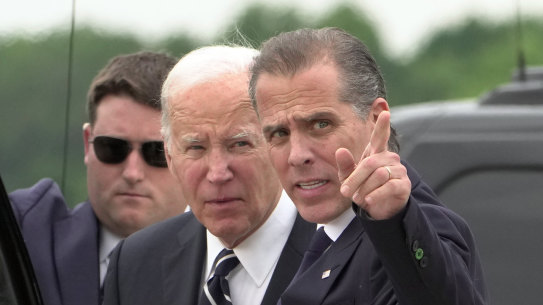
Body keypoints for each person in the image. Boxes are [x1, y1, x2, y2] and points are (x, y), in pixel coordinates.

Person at [249, 27, 489, 305]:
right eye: (279, 133)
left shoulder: (414, 231)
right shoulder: (315, 233)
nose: (297, 155)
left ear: (376, 119)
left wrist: (394, 220)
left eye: (320, 124)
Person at [103, 45, 315, 305]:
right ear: (170, 157)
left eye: (239, 144)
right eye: (196, 148)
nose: (218, 173)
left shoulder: (346, 251)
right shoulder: (135, 263)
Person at [8, 51, 187, 305]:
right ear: (87, 144)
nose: (132, 173)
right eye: (113, 147)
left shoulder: (222, 266)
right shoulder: (24, 235)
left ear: (190, 151)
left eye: (156, 152)